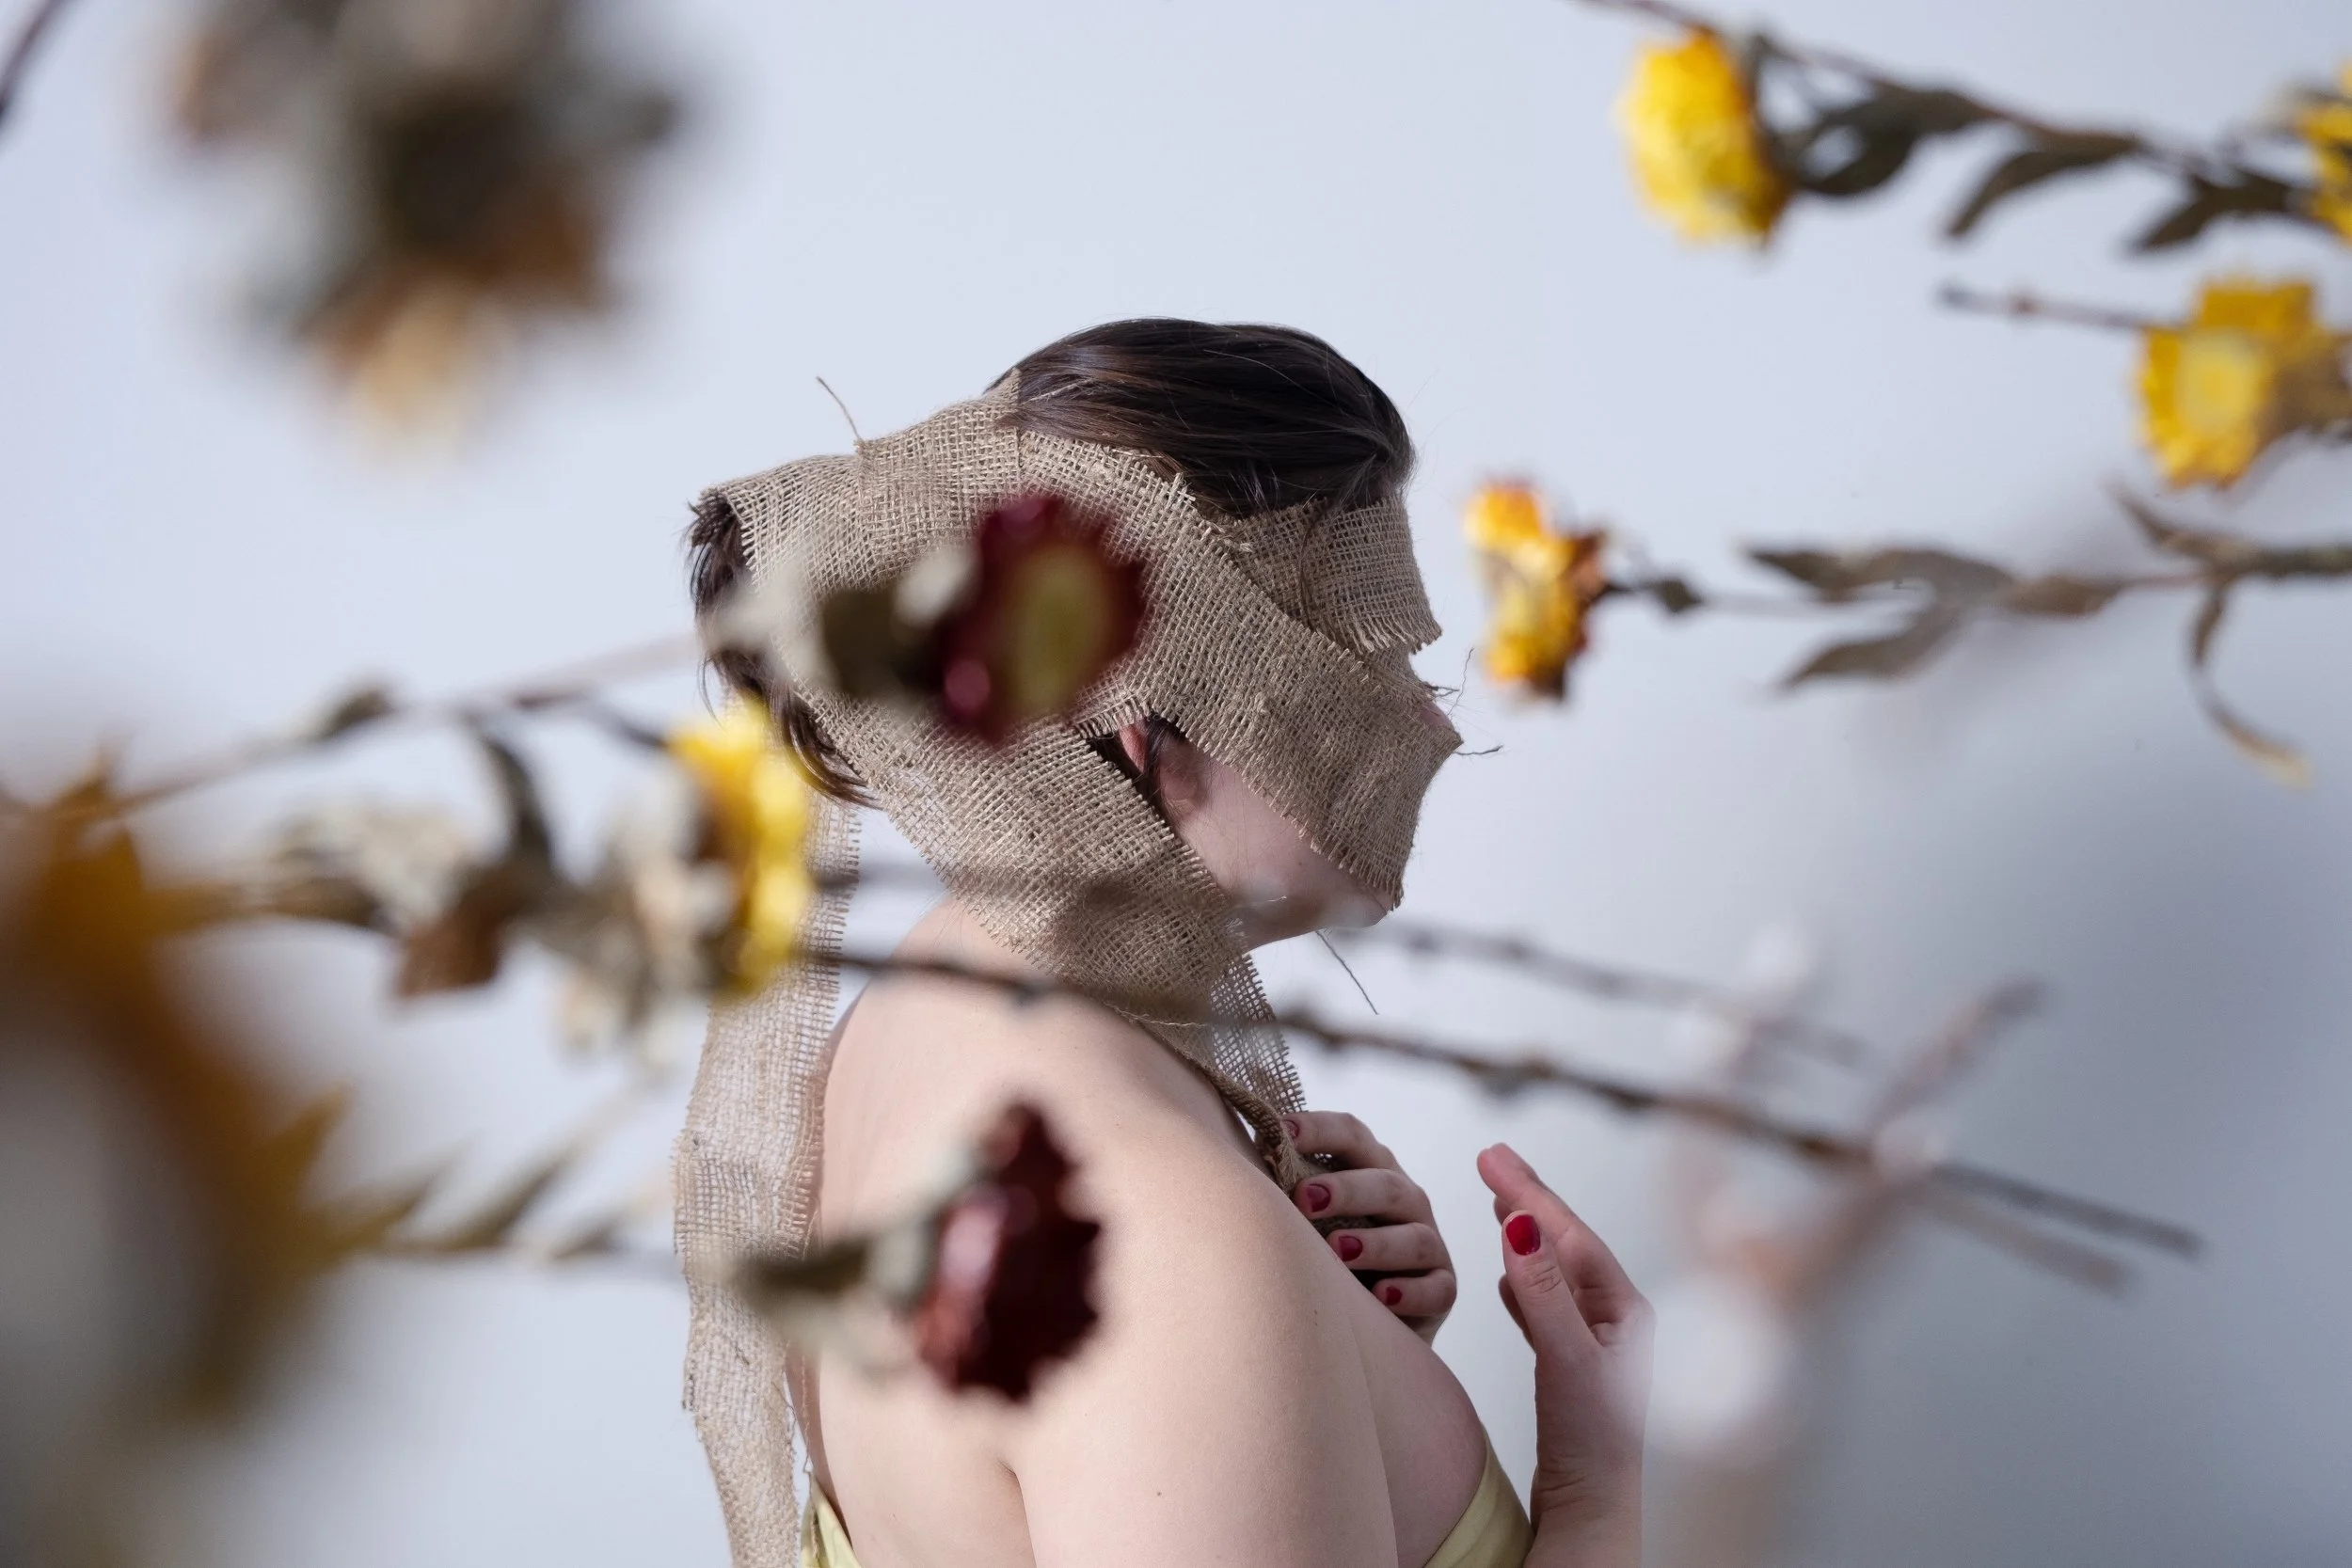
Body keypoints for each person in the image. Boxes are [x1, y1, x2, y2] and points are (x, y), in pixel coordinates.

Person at [676, 320, 1649, 1568]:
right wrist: (1595, 1495)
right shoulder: (1158, 1252)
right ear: (1149, 725)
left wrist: (1340, 1368)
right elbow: (1164, 1334)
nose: (1426, 712)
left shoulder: (911, 1018)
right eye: (1369, 646)